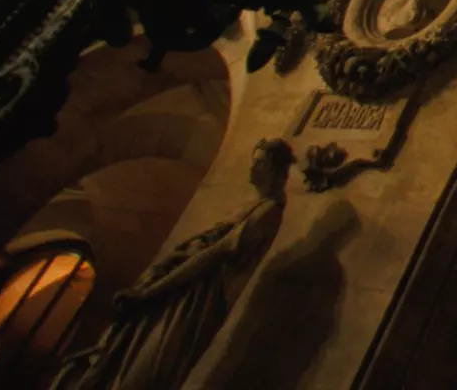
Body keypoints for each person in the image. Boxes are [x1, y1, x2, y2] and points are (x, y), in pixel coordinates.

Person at [52, 140, 292, 390]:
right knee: (121, 360)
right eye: (253, 161)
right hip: (177, 291)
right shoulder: (252, 206)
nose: (252, 169)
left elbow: (214, 254)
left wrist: (150, 292)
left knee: (145, 371)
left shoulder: (268, 212)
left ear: (276, 171)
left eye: (260, 163)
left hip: (194, 301)